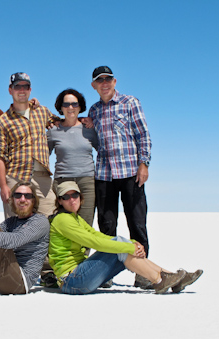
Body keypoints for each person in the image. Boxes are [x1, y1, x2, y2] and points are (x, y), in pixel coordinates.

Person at [48, 181, 203, 294]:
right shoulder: (62, 219)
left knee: (121, 244)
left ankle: (171, 277)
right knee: (120, 246)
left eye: (75, 195)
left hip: (80, 277)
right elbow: (94, 242)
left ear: (80, 197)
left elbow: (98, 235)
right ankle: (160, 281)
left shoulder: (76, 219)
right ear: (60, 201)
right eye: (66, 197)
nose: (72, 199)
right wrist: (129, 247)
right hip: (72, 281)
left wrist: (131, 243)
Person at [87, 66, 153, 288]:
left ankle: (143, 273)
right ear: (94, 85)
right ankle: (106, 274)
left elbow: (142, 134)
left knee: (137, 223)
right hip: (104, 174)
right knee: (107, 225)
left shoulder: (130, 102)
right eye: (100, 80)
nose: (104, 83)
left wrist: (143, 163)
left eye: (108, 79)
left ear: (114, 82)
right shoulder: (94, 111)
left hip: (130, 173)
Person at [0, 72, 58, 219]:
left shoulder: (42, 112)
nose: (21, 90)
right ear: (10, 90)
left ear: (30, 90)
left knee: (50, 223)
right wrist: (3, 186)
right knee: (16, 227)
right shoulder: (3, 121)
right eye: (17, 87)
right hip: (16, 178)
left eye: (25, 86)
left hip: (43, 178)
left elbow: (63, 122)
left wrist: (85, 120)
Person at [47, 88, 98, 227]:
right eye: (66, 104)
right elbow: (43, 155)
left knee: (85, 225)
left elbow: (103, 150)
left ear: (80, 107)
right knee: (65, 225)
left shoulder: (89, 129)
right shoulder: (53, 131)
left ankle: (84, 250)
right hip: (63, 181)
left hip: (87, 181)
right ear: (60, 107)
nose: (71, 107)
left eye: (74, 104)